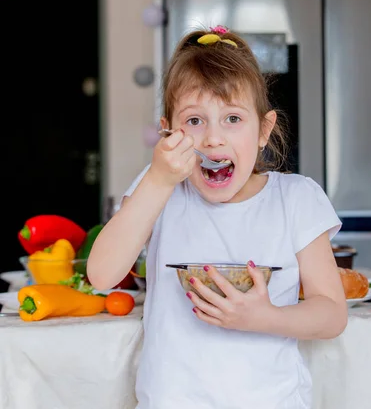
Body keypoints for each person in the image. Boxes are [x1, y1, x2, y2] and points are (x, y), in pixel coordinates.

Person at [87, 25, 348, 409]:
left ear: (264, 129)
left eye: (232, 119)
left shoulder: (296, 199)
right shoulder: (161, 188)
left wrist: (264, 317)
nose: (212, 139)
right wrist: (159, 179)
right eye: (194, 121)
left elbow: (332, 315)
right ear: (167, 132)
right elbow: (102, 275)